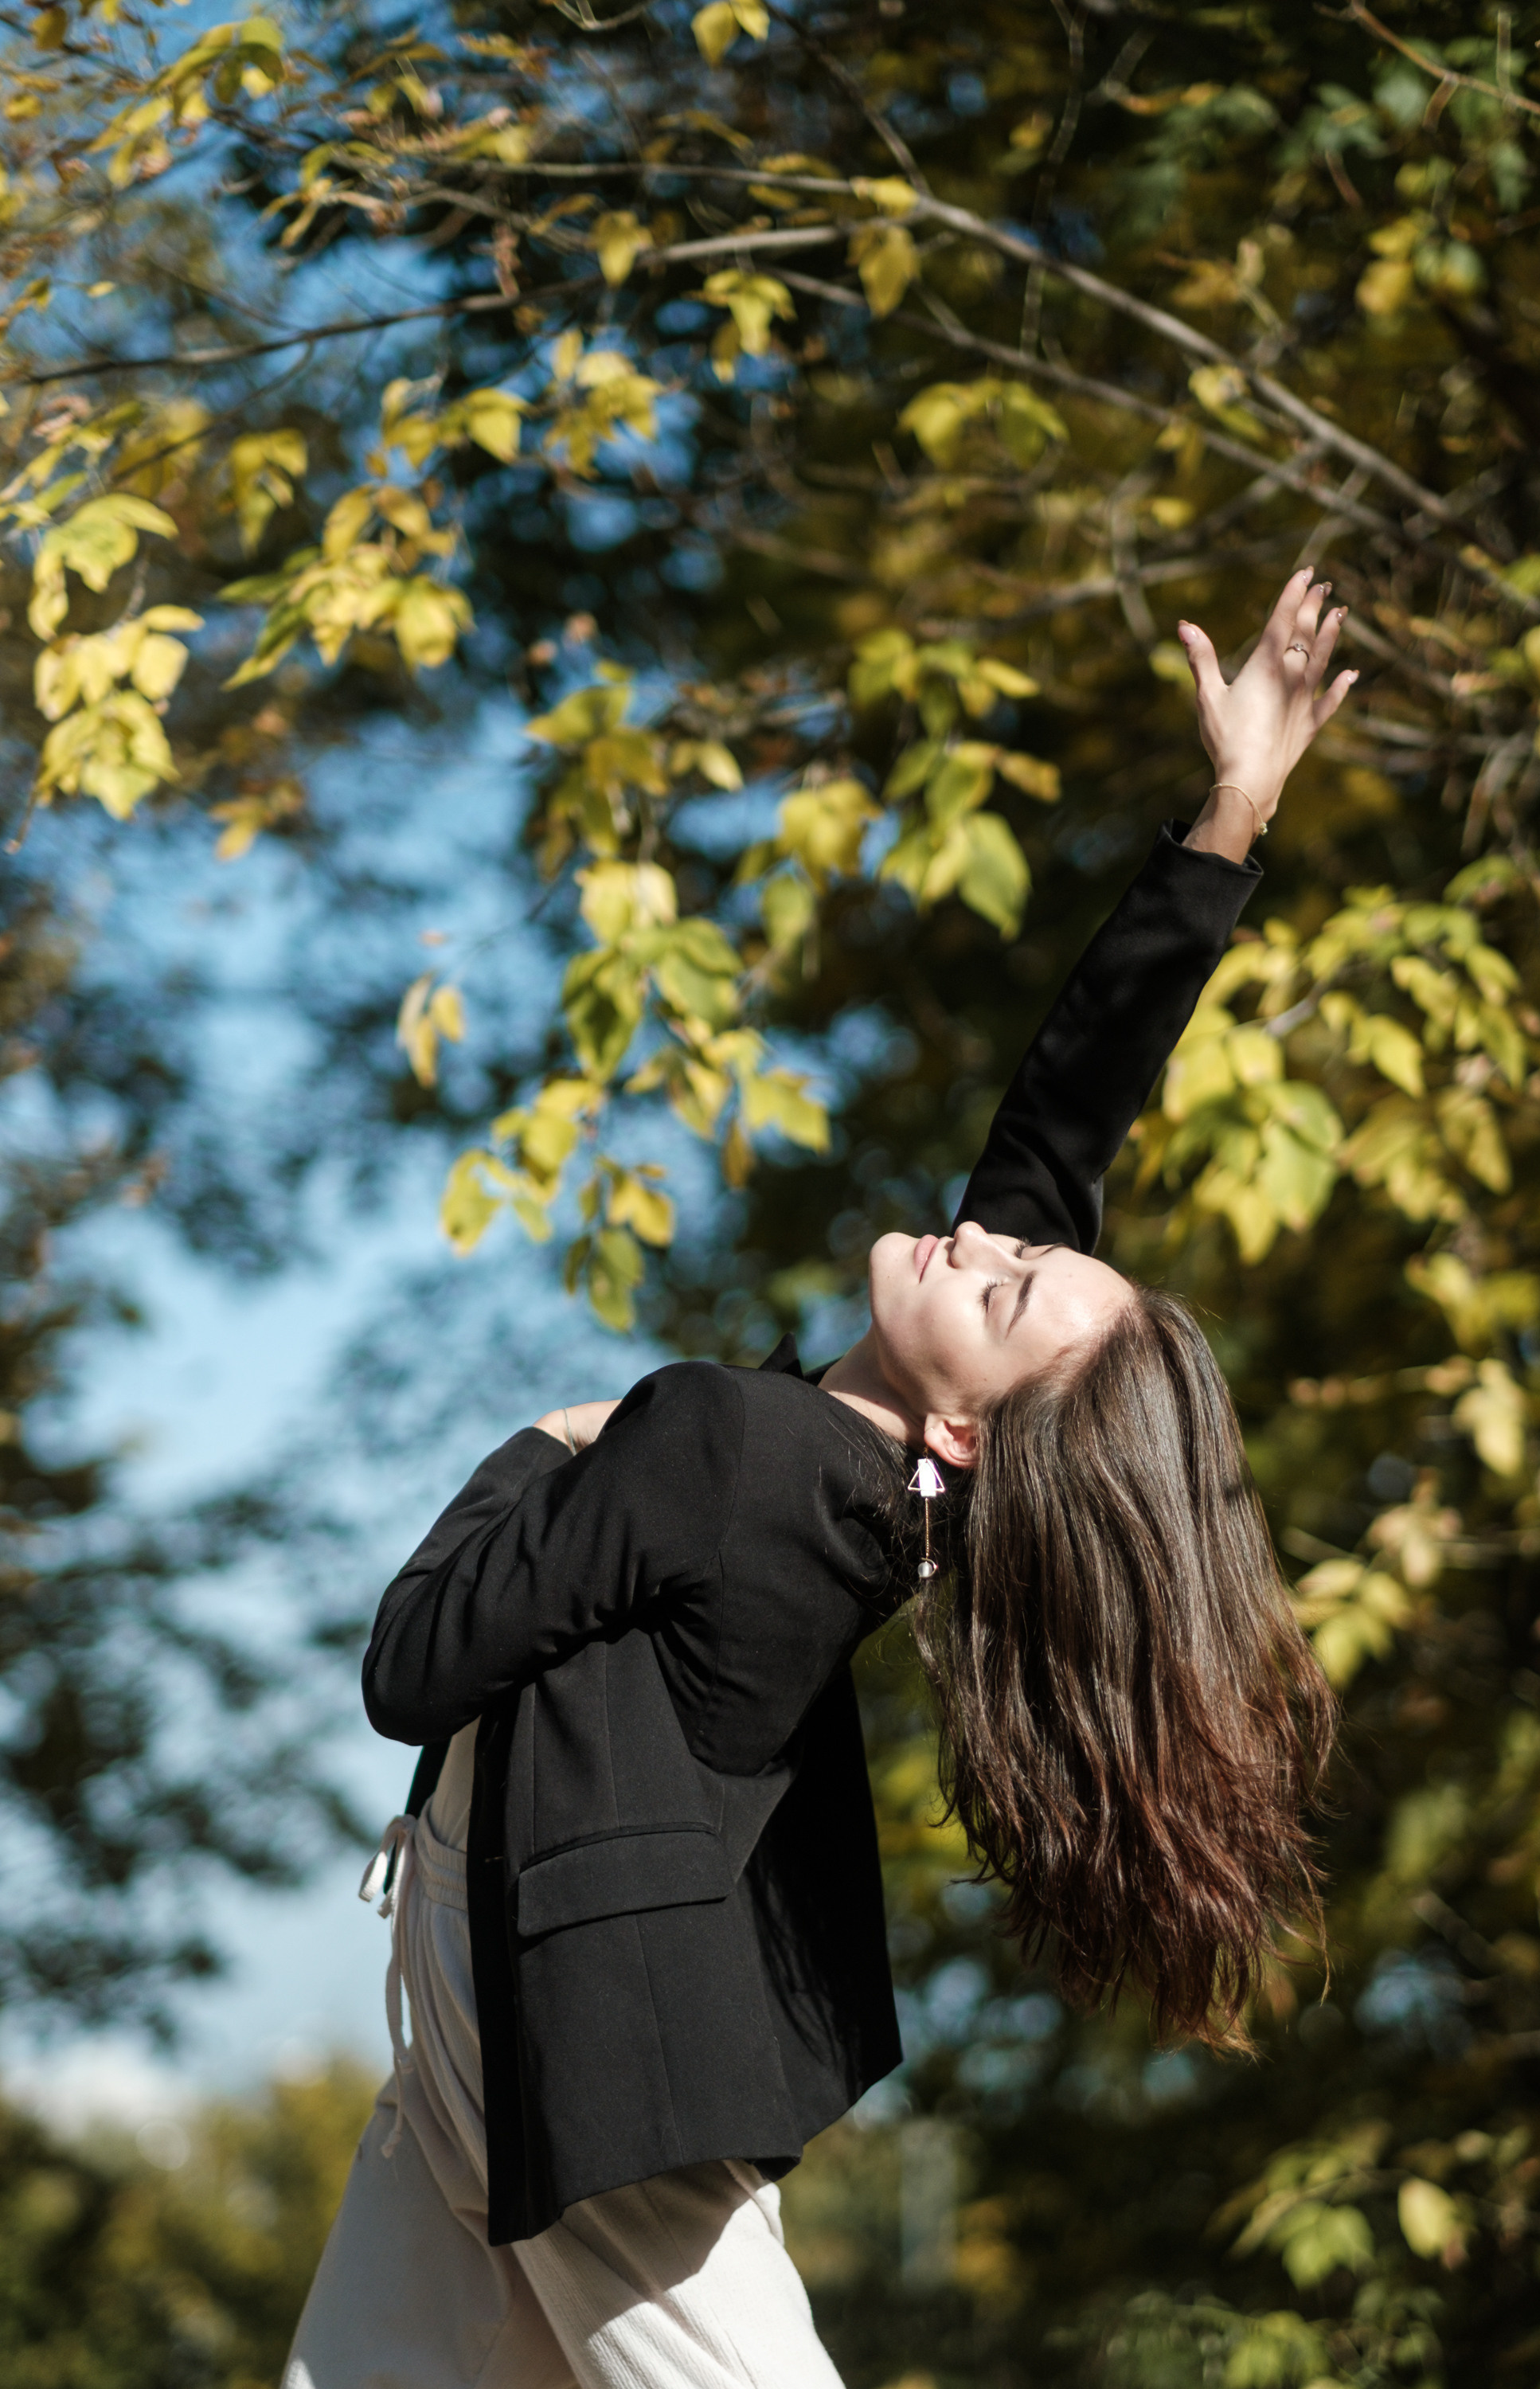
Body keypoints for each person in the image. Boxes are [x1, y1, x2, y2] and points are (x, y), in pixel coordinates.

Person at [284, 574, 1355, 2389]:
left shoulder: (723, 1441)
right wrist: (1231, 810)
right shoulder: (882, 1494)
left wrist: (540, 1451)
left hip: (582, 2050)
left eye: (1006, 1288)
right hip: (506, 2022)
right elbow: (1061, 1121)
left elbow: (412, 1661)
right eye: (1018, 1250)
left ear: (966, 1433)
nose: (978, 1238)